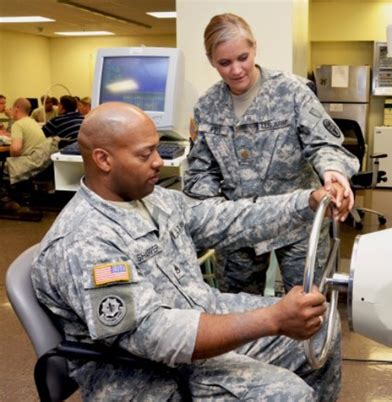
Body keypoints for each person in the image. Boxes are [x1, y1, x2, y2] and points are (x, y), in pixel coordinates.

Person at [32, 102, 350, 401]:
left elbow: (225, 219)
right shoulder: (85, 241)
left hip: (197, 322)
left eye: (157, 149)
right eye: (146, 155)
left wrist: (307, 202)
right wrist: (271, 320)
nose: (159, 161)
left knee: (323, 329)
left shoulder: (154, 199)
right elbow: (153, 335)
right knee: (288, 394)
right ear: (103, 160)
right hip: (145, 375)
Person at [183, 13, 360, 295]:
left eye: (243, 57)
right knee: (238, 312)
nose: (236, 70)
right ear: (211, 60)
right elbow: (202, 170)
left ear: (255, 48)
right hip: (240, 227)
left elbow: (323, 144)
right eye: (224, 63)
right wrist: (209, 214)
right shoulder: (207, 106)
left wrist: (333, 172)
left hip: (298, 221)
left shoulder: (291, 91)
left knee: (308, 306)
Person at [4, 98, 58, 185]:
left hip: (30, 165)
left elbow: (16, 149)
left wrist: (13, 158)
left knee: (6, 164)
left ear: (16, 108)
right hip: (42, 164)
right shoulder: (32, 122)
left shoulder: (18, 125)